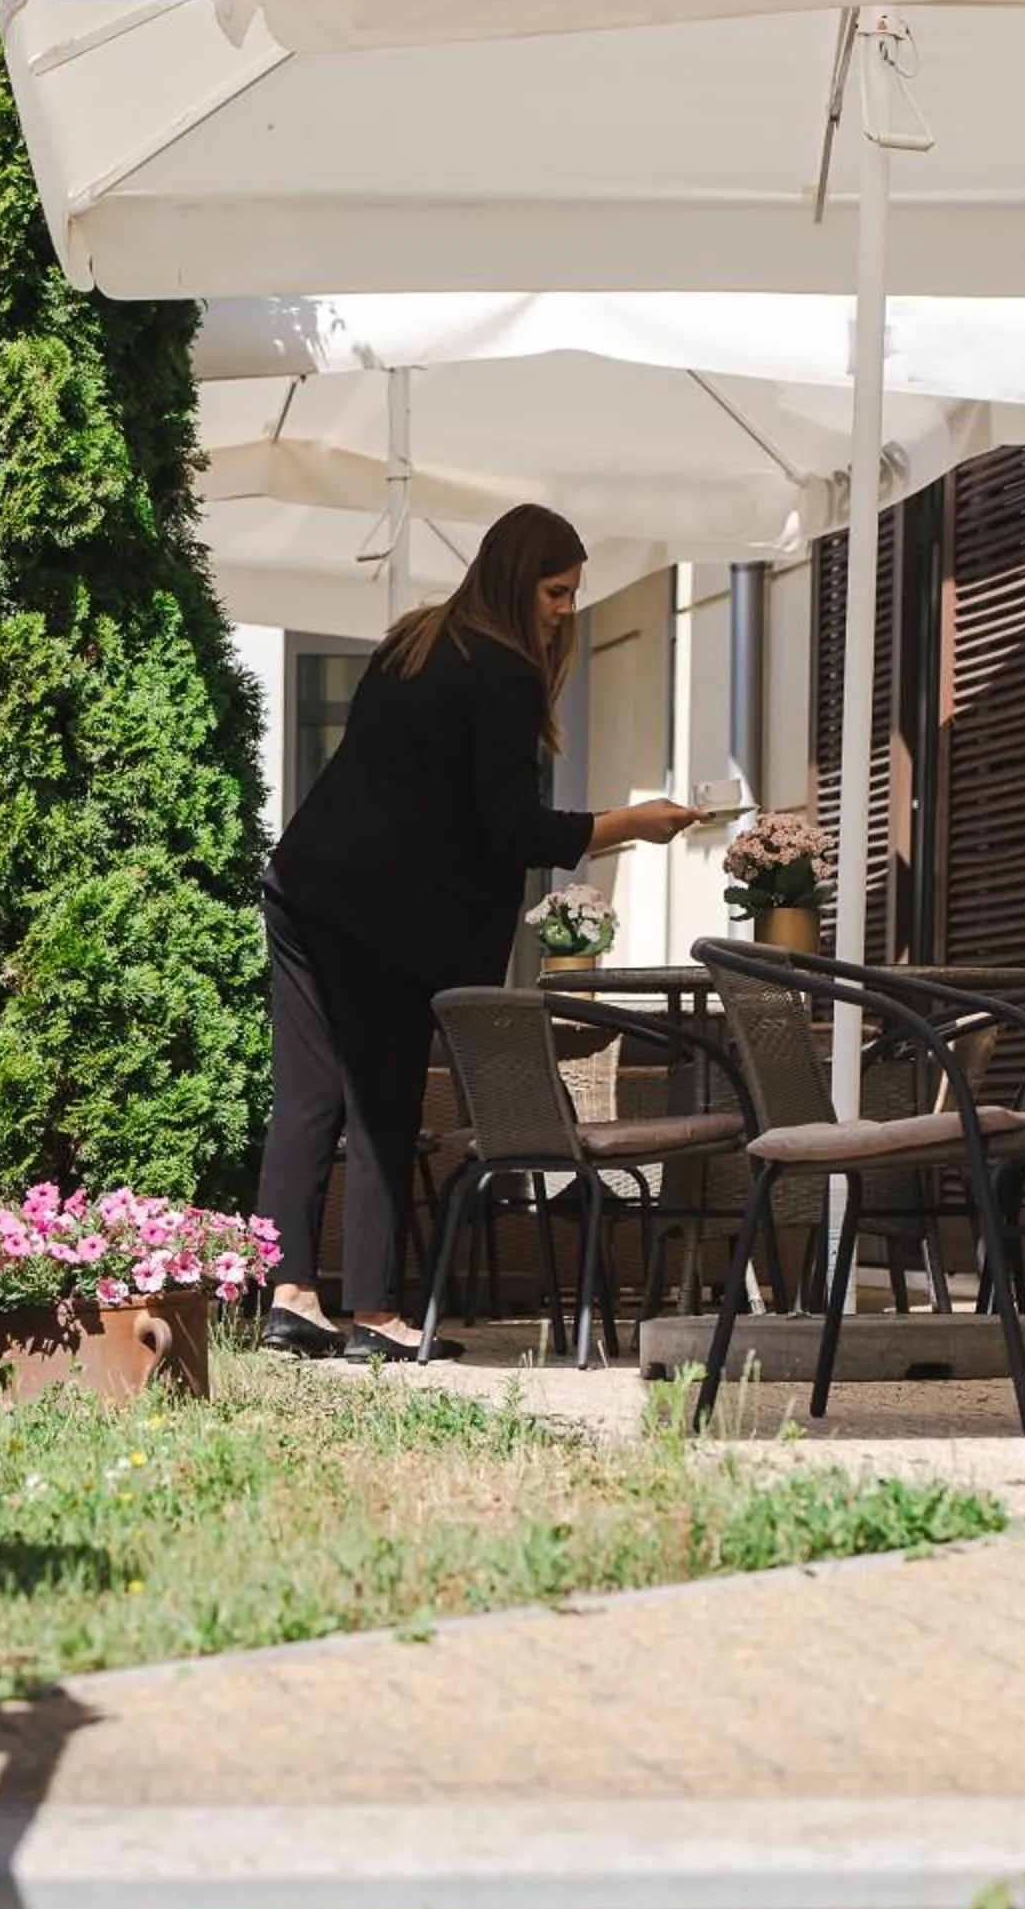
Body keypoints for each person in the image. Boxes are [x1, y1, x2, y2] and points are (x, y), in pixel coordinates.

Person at [255, 503, 697, 1363]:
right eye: (555, 591)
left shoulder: (412, 643)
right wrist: (631, 824)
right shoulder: (502, 671)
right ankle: (375, 1313)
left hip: (305, 885)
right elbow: (512, 830)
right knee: (381, 1106)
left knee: (307, 1098)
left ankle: (291, 1296)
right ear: (514, 579)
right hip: (382, 915)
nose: (565, 609)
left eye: (572, 592)